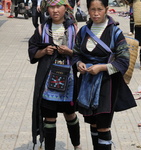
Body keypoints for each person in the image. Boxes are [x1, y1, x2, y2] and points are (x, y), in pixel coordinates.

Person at [73, 0, 137, 150]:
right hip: (87, 83)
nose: (96, 13)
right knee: (93, 123)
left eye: (99, 9)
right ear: (87, 10)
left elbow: (123, 62)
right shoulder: (83, 31)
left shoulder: (115, 32)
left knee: (103, 126)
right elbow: (76, 54)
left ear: (107, 9)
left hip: (107, 85)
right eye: (92, 9)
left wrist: (102, 68)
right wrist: (78, 64)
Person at [28, 0, 81, 150]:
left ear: (66, 8)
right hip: (47, 82)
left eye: (59, 6)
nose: (55, 10)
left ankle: (77, 145)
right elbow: (33, 51)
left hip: (68, 80)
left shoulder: (74, 29)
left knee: (70, 114)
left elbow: (82, 53)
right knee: (49, 117)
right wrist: (43, 52)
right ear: (46, 9)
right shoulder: (42, 29)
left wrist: (70, 52)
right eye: (51, 7)